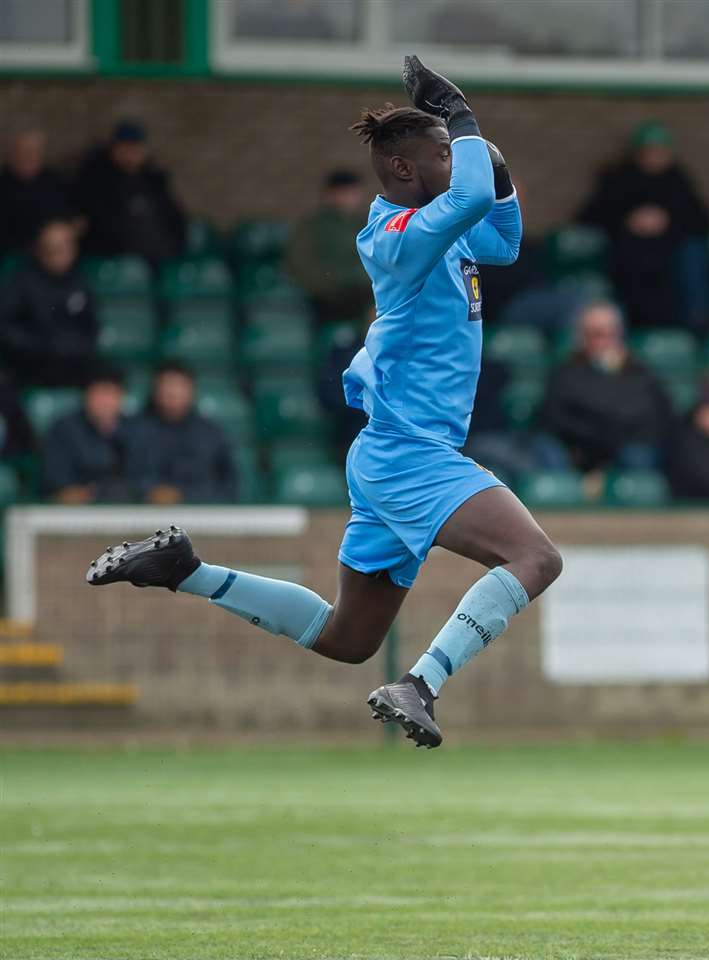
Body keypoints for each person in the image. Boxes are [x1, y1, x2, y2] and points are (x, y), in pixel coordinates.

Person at [87, 57, 560, 751]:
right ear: (404, 170)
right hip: (409, 454)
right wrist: (460, 114)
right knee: (536, 559)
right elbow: (468, 198)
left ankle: (186, 570)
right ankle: (421, 683)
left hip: (393, 455)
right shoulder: (395, 238)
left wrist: (471, 141)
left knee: (346, 638)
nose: (457, 165)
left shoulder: (445, 225)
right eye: (441, 155)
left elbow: (506, 236)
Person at [578, 121, 709, 328]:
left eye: (659, 152)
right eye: (648, 152)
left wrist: (666, 221)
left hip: (670, 253)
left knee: (690, 259)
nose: (654, 158)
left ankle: (693, 326)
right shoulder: (620, 179)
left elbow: (702, 221)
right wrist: (630, 220)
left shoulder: (679, 181)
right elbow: (589, 216)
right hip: (630, 252)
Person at [539, 300, 674, 482]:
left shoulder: (641, 374)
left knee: (638, 456)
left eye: (606, 333)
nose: (600, 340)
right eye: (593, 334)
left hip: (630, 452)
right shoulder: (565, 373)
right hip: (579, 453)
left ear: (619, 333)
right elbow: (555, 418)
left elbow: (655, 416)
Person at [0, 219, 98, 387]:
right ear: (41, 250)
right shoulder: (22, 281)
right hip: (33, 365)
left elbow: (92, 325)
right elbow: (6, 327)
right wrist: (41, 346)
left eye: (68, 247)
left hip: (75, 363)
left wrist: (77, 346)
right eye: (56, 248)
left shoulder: (79, 280)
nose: (63, 254)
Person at [123, 362, 238, 505]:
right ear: (155, 390)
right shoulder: (131, 430)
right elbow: (122, 478)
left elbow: (228, 485)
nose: (172, 392)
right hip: (140, 513)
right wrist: (150, 492)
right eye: (166, 385)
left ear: (192, 390)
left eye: (179, 385)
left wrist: (183, 495)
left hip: (200, 515)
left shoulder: (211, 434)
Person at [72, 121, 186, 265]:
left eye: (136, 149)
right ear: (115, 149)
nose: (131, 156)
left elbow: (175, 217)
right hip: (119, 258)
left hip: (162, 255)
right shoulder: (96, 179)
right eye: (126, 149)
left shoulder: (154, 180)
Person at [285, 169, 375, 324]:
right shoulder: (313, 226)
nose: (351, 198)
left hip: (364, 290)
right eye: (345, 193)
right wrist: (343, 280)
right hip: (329, 297)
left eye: (354, 193)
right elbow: (302, 266)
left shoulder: (363, 224)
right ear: (331, 194)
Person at [42, 368, 133, 503]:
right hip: (74, 511)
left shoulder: (135, 430)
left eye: (110, 393)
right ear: (86, 396)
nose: (105, 401)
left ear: (121, 396)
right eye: (99, 393)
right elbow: (54, 478)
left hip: (127, 509)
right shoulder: (63, 430)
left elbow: (141, 477)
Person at [0, 130, 76, 256]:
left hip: (55, 253)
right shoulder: (3, 185)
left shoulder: (53, 180)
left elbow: (71, 217)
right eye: (24, 151)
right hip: (15, 255)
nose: (29, 156)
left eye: (34, 151)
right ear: (12, 154)